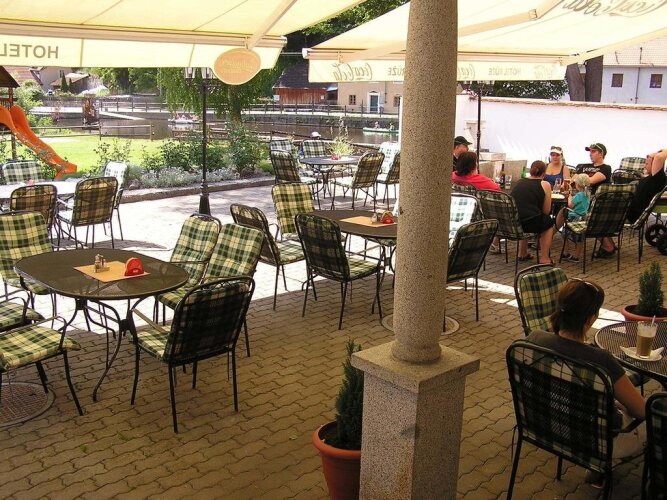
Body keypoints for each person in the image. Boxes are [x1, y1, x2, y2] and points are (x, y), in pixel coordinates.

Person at [526, 279, 646, 477]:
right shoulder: (601, 361)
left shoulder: (534, 339)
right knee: (656, 418)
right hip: (597, 442)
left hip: (545, 427)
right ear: (590, 319)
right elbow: (642, 411)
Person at [510, 160, 554, 264]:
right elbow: (546, 211)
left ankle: (522, 253)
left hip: (513, 222)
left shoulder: (519, 181)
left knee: (525, 214)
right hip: (529, 223)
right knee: (548, 222)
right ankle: (545, 258)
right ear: (544, 173)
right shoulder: (545, 184)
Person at [555, 174, 591, 262]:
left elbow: (570, 205)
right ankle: (576, 256)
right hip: (583, 218)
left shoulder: (579, 195)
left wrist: (570, 198)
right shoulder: (587, 194)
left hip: (574, 218)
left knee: (564, 234)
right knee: (579, 238)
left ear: (578, 184)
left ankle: (565, 252)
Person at [626, 148, 667, 223]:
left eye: (647, 164)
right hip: (628, 209)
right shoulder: (648, 177)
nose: (644, 166)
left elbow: (659, 157)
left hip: (631, 213)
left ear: (654, 164)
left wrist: (661, 152)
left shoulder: (657, 178)